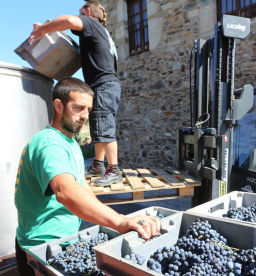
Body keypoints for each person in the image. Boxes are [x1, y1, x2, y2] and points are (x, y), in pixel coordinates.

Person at [14, 77, 160, 276]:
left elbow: (81, 187)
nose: (84, 116)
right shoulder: (49, 144)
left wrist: (110, 217)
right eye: (78, 108)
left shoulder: (70, 143)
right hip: (42, 249)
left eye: (88, 110)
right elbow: (65, 191)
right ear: (58, 105)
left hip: (66, 241)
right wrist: (119, 222)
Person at [29, 1, 122, 186]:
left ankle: (114, 169)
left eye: (80, 13)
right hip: (103, 86)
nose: (78, 16)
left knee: (105, 127)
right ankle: (98, 165)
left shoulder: (92, 24)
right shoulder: (102, 32)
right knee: (98, 125)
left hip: (103, 85)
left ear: (87, 12)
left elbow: (70, 21)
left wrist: (44, 29)